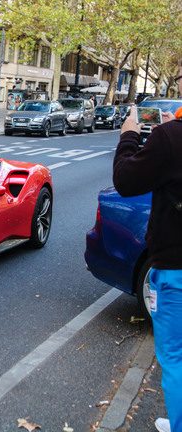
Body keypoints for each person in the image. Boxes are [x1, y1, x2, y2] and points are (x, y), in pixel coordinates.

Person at [112, 59, 182, 432]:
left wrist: (129, 135)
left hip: (177, 268)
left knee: (175, 355)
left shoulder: (171, 138)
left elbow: (126, 180)